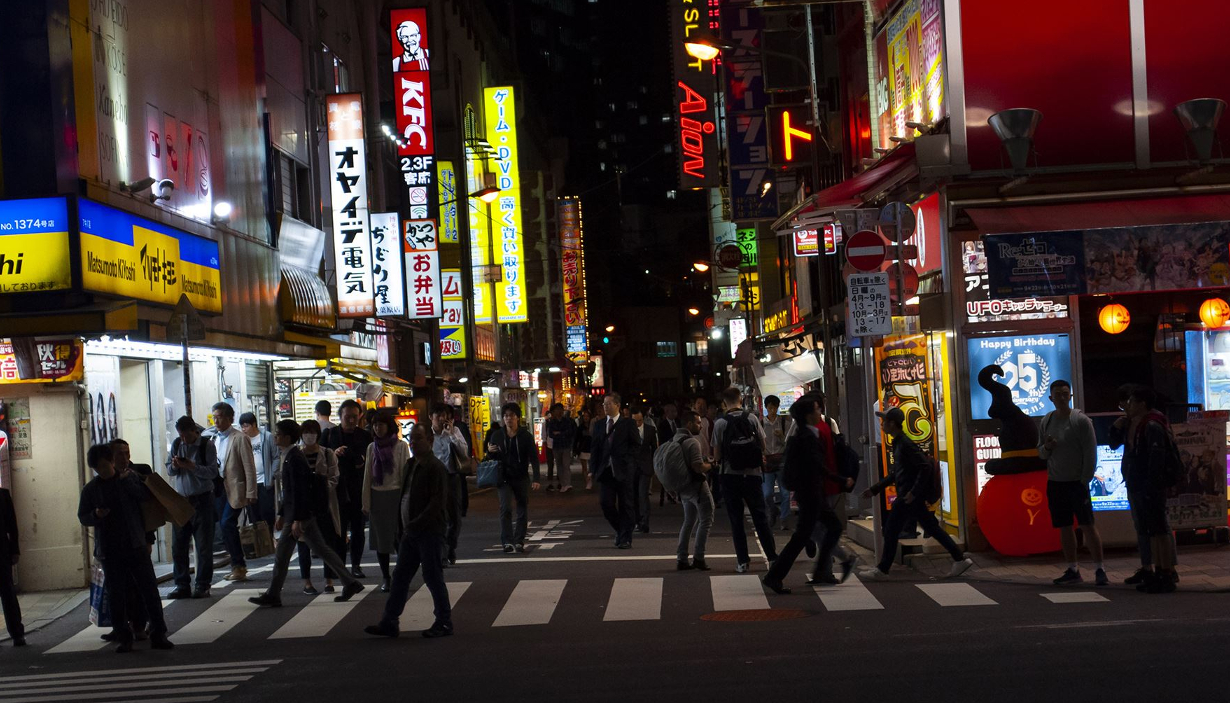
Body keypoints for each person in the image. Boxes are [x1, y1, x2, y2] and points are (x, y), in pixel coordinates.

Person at [250, 421, 364, 607]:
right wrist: (282, 514)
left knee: (283, 554)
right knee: (321, 549)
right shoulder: (292, 455)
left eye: (278, 434)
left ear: (287, 437)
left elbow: (299, 491)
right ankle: (350, 582)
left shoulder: (294, 458)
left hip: (300, 514)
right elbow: (291, 492)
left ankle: (273, 593)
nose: (276, 437)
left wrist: (297, 519)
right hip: (299, 514)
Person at [78, 443, 173, 652]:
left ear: (111, 462)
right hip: (110, 549)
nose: (103, 470)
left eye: (105, 465)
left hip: (135, 543)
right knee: (116, 595)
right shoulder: (91, 489)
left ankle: (159, 632)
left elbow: (146, 499)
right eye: (98, 468)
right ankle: (123, 636)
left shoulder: (130, 479)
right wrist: (96, 515)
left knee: (149, 590)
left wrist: (128, 481)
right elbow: (82, 516)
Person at [861, 408, 973, 580]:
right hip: (910, 496)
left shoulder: (905, 443)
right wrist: (875, 489)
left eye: (885, 422)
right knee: (931, 528)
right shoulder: (898, 442)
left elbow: (925, 466)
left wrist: (913, 492)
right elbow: (895, 474)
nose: (882, 426)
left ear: (893, 424)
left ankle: (882, 570)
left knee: (891, 531)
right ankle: (959, 559)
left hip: (908, 497)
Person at [364, 423, 453, 639]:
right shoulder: (411, 464)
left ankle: (444, 621)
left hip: (428, 531)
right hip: (410, 531)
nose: (413, 442)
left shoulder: (435, 468)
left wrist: (414, 525)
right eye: (411, 438)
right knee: (401, 576)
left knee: (432, 576)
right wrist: (401, 527)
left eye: (418, 438)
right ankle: (389, 621)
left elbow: (436, 504)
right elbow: (404, 496)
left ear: (430, 441)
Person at [762, 399, 855, 594]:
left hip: (811, 493)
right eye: (815, 408)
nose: (819, 410)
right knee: (807, 535)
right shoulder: (806, 437)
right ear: (807, 415)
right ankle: (778, 575)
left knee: (817, 531)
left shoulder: (804, 435)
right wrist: (840, 479)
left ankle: (784, 574)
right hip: (810, 493)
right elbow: (817, 466)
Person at [1038, 380, 1106, 586]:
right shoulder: (1047, 421)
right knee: (1064, 526)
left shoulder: (1080, 421)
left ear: (1070, 396)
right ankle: (1072, 568)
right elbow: (1041, 452)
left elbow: (1090, 452)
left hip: (1077, 482)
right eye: (1057, 394)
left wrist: (1085, 480)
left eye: (1065, 393)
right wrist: (1047, 447)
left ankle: (1099, 569)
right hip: (1056, 482)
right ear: (1050, 398)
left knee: (1087, 525)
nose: (1061, 397)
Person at [711, 386, 777, 573]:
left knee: (736, 520)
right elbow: (763, 446)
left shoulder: (720, 423)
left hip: (730, 476)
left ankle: (742, 561)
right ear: (741, 399)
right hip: (753, 475)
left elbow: (717, 455)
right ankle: (772, 558)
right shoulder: (752, 418)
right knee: (760, 517)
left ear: (725, 402)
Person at [1121, 386, 1179, 593]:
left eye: (1132, 402)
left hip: (1151, 486)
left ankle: (1165, 573)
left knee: (1159, 530)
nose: (1128, 406)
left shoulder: (1152, 424)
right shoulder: (1141, 423)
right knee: (1153, 531)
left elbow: (1156, 458)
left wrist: (1150, 484)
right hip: (1144, 483)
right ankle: (1159, 572)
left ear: (1142, 404)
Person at [105, 440, 155, 642]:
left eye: (127, 453)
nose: (125, 458)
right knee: (118, 587)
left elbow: (147, 506)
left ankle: (142, 625)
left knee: (142, 586)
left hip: (138, 538)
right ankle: (121, 626)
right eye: (119, 454)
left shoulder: (139, 473)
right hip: (114, 542)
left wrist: (149, 539)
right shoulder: (104, 478)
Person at [166, 416, 220, 599]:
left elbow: (212, 472)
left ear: (194, 431)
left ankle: (202, 585)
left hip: (203, 499)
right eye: (180, 435)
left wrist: (192, 466)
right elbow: (169, 470)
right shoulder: (176, 444)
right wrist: (174, 466)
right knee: (178, 545)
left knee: (203, 545)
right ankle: (182, 584)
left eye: (185, 435)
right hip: (181, 500)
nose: (183, 439)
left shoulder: (207, 446)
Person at [322, 399, 372, 578]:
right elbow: (321, 458)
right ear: (340, 416)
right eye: (347, 417)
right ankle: (339, 566)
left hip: (358, 489)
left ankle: (356, 565)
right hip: (336, 491)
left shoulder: (365, 436)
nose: (351, 421)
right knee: (338, 530)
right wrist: (334, 454)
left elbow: (366, 461)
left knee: (358, 530)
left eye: (354, 417)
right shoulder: (329, 434)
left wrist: (354, 456)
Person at [363, 409, 410, 592]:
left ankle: (400, 575)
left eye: (381, 424)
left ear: (389, 426)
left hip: (395, 495)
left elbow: (404, 475)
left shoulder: (401, 446)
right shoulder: (371, 447)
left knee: (399, 539)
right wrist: (365, 502)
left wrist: (406, 501)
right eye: (375, 425)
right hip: (377, 497)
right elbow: (367, 476)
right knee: (380, 541)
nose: (377, 428)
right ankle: (386, 577)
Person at [211, 402, 257, 583]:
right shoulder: (214, 439)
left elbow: (249, 466)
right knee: (225, 526)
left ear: (230, 418)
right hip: (220, 489)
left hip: (237, 488)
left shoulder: (239, 438)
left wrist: (251, 492)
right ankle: (236, 566)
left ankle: (239, 565)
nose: (216, 420)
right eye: (214, 416)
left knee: (227, 523)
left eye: (220, 416)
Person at [487, 404, 540, 553]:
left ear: (517, 417)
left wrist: (536, 478)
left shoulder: (525, 436)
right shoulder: (497, 435)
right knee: (505, 508)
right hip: (503, 477)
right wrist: (489, 452)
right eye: (506, 416)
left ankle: (519, 540)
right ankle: (507, 542)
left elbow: (534, 458)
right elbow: (491, 457)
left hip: (521, 476)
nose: (508, 418)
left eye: (511, 415)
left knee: (522, 508)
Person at [590, 393, 640, 549]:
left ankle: (625, 538)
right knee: (606, 503)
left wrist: (628, 461)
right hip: (605, 471)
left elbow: (636, 445)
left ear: (617, 405)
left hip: (624, 470)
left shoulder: (628, 424)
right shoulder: (599, 425)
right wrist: (593, 470)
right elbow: (595, 449)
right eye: (604, 404)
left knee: (626, 504)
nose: (605, 407)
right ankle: (621, 530)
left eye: (608, 404)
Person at [297, 420, 341, 595]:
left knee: (327, 543)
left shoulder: (328, 454)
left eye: (312, 432)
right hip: (304, 505)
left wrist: (320, 487)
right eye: (306, 432)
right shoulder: (297, 455)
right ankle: (307, 582)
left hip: (324, 505)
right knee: (303, 545)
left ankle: (329, 580)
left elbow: (334, 477)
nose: (309, 435)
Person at [673, 410, 714, 571]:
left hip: (683, 487)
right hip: (696, 486)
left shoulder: (675, 438)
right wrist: (711, 465)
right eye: (698, 423)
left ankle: (682, 558)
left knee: (689, 521)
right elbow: (698, 467)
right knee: (706, 519)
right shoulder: (692, 442)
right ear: (689, 424)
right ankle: (699, 557)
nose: (701, 426)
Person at [430, 404, 470, 566]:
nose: (441, 419)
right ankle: (442, 552)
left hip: (452, 477)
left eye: (444, 416)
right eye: (437, 415)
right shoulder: (426, 434)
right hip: (433, 479)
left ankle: (449, 546)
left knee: (455, 517)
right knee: (437, 517)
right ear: (430, 417)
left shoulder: (454, 431)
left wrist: (452, 433)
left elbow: (464, 452)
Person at [239, 412, 279, 531]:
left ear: (254, 424)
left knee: (267, 513)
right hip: (250, 484)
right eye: (242, 426)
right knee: (253, 515)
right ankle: (258, 543)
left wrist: (272, 475)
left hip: (265, 481)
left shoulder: (267, 437)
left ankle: (269, 540)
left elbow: (276, 456)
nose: (244, 429)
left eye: (246, 426)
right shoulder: (242, 440)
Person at [761, 395, 793, 530]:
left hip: (781, 459)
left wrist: (782, 436)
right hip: (767, 459)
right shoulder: (761, 423)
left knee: (785, 492)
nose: (772, 410)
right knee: (767, 493)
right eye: (770, 407)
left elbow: (789, 443)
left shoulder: (785, 422)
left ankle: (784, 519)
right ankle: (773, 510)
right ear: (766, 408)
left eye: (774, 407)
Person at [0, 485, 24, 647]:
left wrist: (14, 549)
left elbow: (12, 525)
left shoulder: (3, 495)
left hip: (2, 551)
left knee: (8, 593)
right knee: (8, 593)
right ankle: (17, 634)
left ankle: (17, 633)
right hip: (3, 550)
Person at [631, 406, 658, 533]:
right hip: (632, 467)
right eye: (635, 421)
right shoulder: (628, 431)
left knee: (643, 494)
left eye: (640, 420)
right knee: (635, 495)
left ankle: (644, 522)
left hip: (646, 466)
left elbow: (655, 449)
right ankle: (637, 521)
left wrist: (654, 465)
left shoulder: (650, 430)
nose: (638, 423)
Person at [545, 404, 577, 492]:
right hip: (556, 446)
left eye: (561, 409)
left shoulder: (567, 421)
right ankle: (563, 484)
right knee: (559, 465)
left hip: (566, 446)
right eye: (557, 410)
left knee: (566, 465)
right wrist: (562, 434)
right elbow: (551, 434)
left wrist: (559, 433)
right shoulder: (552, 422)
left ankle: (567, 484)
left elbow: (569, 432)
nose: (559, 411)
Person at [576, 408, 594, 490]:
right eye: (584, 416)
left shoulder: (593, 426)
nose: (586, 418)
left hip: (591, 448)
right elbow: (577, 438)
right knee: (584, 467)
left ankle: (590, 479)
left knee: (591, 466)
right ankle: (587, 482)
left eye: (587, 416)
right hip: (583, 448)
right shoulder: (580, 427)